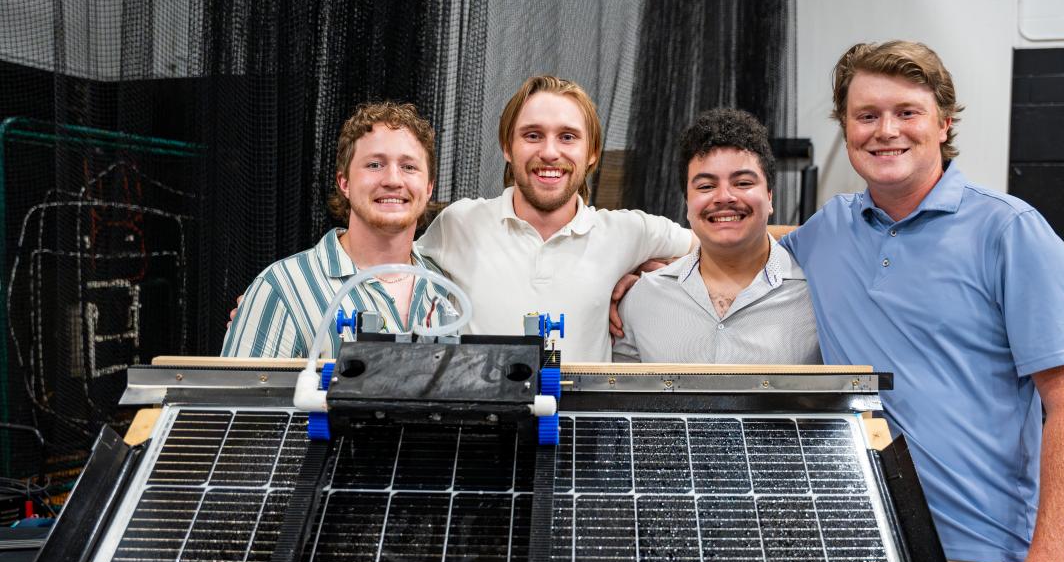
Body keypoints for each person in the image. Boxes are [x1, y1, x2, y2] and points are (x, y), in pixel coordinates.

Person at [779, 40, 1064, 562]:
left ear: (944, 123)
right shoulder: (829, 230)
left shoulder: (1010, 232)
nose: (886, 130)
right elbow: (738, 251)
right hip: (860, 551)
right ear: (845, 128)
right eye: (866, 115)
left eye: (907, 112)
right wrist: (640, 273)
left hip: (978, 560)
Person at [415, 75, 693, 362]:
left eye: (567, 137)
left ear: (592, 153)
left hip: (583, 407)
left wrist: (653, 279)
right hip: (481, 406)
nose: (549, 152)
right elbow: (395, 272)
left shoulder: (627, 232)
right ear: (507, 147)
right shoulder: (459, 223)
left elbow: (723, 252)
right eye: (533, 135)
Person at [223, 101, 455, 358]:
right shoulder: (284, 288)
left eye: (409, 167)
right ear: (344, 182)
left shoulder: (445, 288)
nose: (392, 180)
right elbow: (238, 398)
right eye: (374, 165)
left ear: (429, 187)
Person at [612, 108, 819, 364]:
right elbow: (621, 400)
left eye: (743, 183)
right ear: (687, 203)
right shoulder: (642, 299)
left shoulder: (817, 296)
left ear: (769, 196)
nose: (724, 197)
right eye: (706, 186)